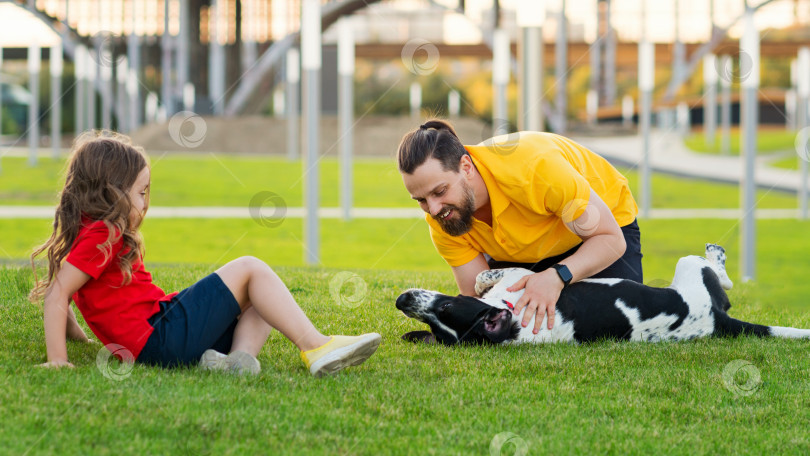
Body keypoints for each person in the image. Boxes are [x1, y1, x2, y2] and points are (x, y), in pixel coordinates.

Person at [30, 131, 381, 376]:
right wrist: (58, 358)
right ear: (111, 191)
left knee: (263, 300)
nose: (146, 202)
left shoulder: (90, 236)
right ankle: (317, 347)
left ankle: (236, 362)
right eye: (141, 192)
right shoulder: (103, 234)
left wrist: (78, 337)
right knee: (251, 268)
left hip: (159, 335)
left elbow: (67, 292)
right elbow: (60, 292)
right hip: (159, 338)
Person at [398, 119, 642, 336]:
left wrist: (557, 276)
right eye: (421, 200)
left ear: (466, 167)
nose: (433, 209)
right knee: (524, 323)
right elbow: (479, 297)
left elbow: (610, 240)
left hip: (597, 234)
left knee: (608, 325)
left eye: (440, 191)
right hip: (524, 253)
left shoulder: (536, 168)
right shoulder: (442, 219)